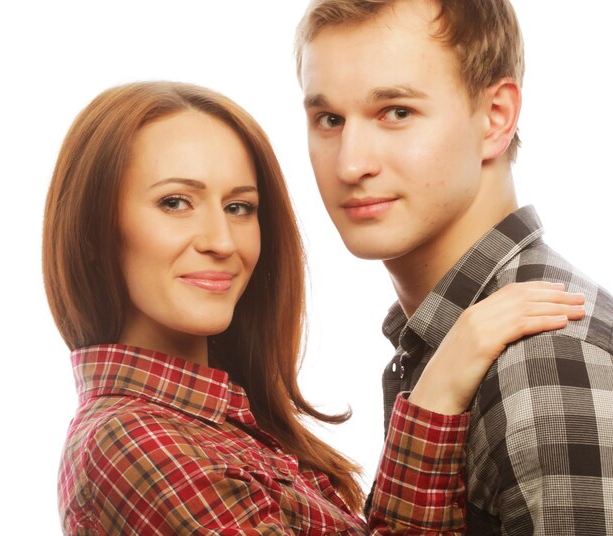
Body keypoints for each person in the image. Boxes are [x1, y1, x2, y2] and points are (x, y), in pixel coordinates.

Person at [43, 81, 584, 535]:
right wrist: (441, 384)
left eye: (239, 207)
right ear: (96, 229)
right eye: (175, 202)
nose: (221, 241)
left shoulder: (222, 424)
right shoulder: (132, 445)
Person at [295, 0, 613, 534]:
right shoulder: (452, 341)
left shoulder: (544, 367)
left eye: (396, 111)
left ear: (496, 119)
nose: (350, 164)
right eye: (329, 120)